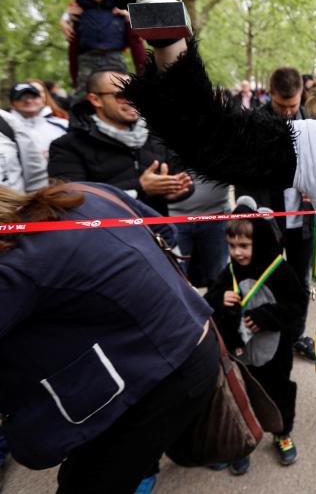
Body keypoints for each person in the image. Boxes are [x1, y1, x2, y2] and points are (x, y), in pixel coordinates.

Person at [0, 181, 219, 493]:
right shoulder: (80, 193)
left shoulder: (13, 265)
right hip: (194, 332)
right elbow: (166, 232)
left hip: (160, 377)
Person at [205, 198, 307, 474]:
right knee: (241, 396)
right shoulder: (230, 271)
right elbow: (209, 301)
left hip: (274, 353)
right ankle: (242, 442)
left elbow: (298, 304)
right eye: (232, 246)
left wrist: (266, 316)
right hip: (240, 356)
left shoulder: (279, 270)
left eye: (244, 246)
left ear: (259, 242)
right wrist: (218, 298)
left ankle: (282, 433)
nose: (237, 253)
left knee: (278, 392)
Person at [235, 67, 316, 360]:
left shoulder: (311, 123)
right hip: (269, 218)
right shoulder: (252, 125)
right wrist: (252, 216)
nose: (287, 112)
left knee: (299, 281)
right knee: (265, 277)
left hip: (302, 221)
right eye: (281, 106)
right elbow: (242, 174)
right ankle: (263, 330)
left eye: (292, 106)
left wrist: (315, 189)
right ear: (269, 94)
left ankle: (295, 335)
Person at [48, 70, 192, 216]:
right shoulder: (67, 146)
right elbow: (68, 198)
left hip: (156, 234)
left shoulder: (159, 134)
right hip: (102, 235)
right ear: (95, 99)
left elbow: (184, 178)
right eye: (122, 95)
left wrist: (176, 190)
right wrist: (139, 188)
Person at [60, 0, 146, 95]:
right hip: (87, 59)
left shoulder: (119, 6)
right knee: (84, 95)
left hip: (114, 57)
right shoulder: (77, 8)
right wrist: (63, 21)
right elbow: (73, 44)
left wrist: (143, 72)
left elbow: (136, 40)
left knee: (119, 93)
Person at [6, 82, 67, 161]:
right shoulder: (6, 131)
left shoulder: (63, 125)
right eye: (21, 98)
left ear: (42, 100)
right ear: (12, 104)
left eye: (33, 96)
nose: (28, 101)